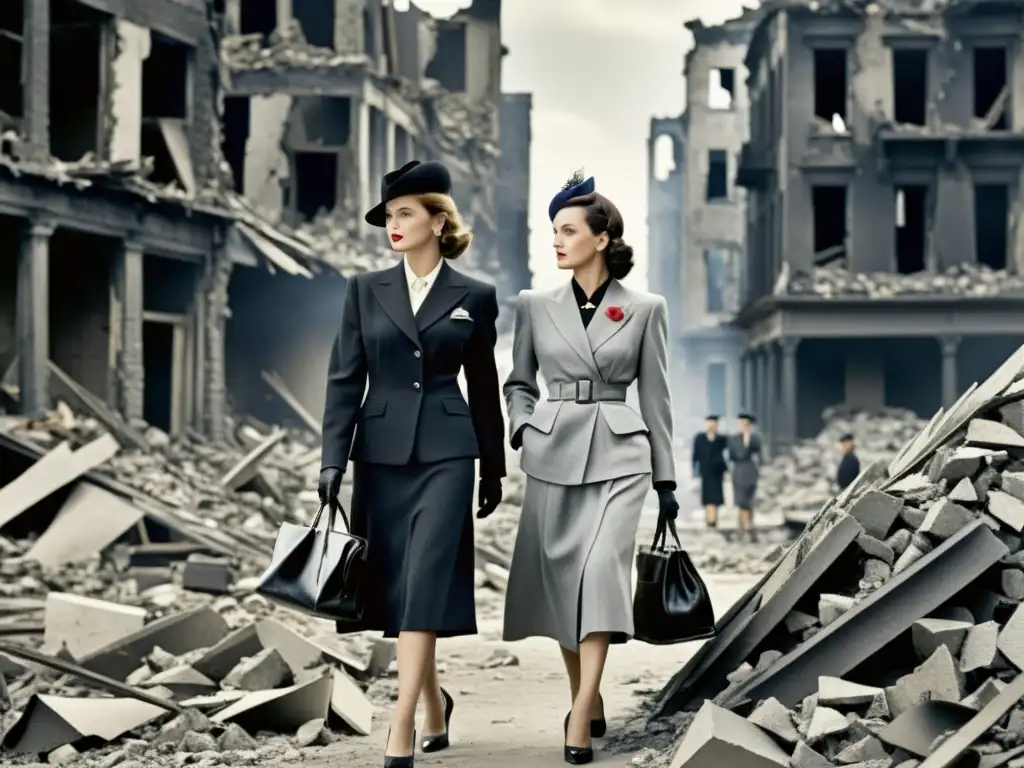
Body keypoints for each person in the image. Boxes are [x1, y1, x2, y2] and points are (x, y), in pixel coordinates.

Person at [317, 160, 506, 768]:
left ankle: (400, 724)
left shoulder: (474, 295)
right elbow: (344, 380)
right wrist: (331, 463)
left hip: (450, 455)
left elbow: (484, 384)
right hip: (380, 455)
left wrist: (494, 465)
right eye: (387, 217)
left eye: (404, 214)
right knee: (398, 591)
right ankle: (433, 703)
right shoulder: (362, 290)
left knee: (426, 581)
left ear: (437, 219)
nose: (392, 226)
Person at [502, 171, 679, 765]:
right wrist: (523, 426)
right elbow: (519, 383)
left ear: (601, 239)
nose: (556, 240)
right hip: (551, 451)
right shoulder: (533, 305)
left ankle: (580, 713)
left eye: (568, 230)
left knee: (601, 571)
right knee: (560, 583)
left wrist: (667, 479)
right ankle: (589, 691)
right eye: (553, 231)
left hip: (620, 456)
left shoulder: (645, 308)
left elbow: (656, 398)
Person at [727, 413, 762, 542]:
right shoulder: (734, 439)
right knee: (741, 502)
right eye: (742, 424)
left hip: (751, 472)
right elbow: (734, 455)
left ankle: (747, 529)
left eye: (747, 424)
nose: (744, 426)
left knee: (749, 502)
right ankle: (745, 529)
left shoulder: (755, 439)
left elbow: (759, 455)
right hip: (739, 471)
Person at [692, 415, 727, 528]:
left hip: (717, 472)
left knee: (716, 497)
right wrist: (694, 471)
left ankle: (713, 520)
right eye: (710, 424)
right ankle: (709, 520)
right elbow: (695, 455)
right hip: (705, 471)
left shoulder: (721, 439)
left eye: (714, 424)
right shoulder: (700, 438)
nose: (712, 426)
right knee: (707, 497)